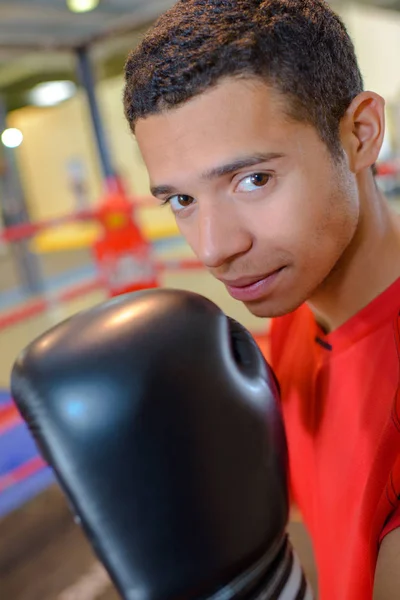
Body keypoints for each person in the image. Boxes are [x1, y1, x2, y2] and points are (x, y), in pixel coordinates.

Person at [123, 1, 400, 599]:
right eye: (181, 201)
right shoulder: (298, 308)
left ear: (360, 134)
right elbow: (314, 529)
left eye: (253, 180)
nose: (214, 249)